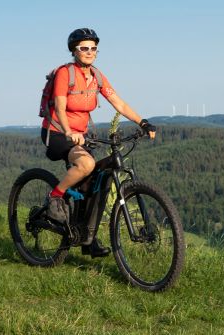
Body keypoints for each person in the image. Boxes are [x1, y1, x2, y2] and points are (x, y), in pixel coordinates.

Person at [41, 28, 156, 258]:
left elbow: (118, 103)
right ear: (74, 50)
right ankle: (55, 196)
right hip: (56, 133)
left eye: (94, 48)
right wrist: (68, 132)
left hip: (81, 135)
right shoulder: (66, 73)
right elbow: (60, 108)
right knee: (86, 165)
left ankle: (87, 237)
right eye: (85, 48)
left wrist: (142, 122)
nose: (90, 52)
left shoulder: (97, 76)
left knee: (97, 183)